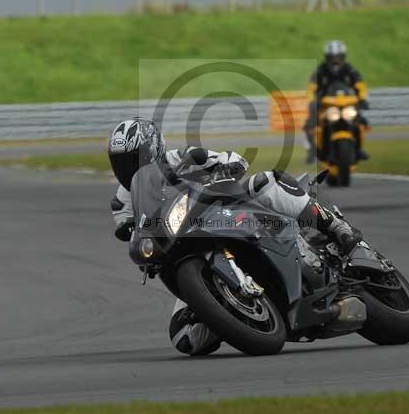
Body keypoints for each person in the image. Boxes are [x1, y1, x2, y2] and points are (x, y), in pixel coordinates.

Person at [107, 117, 363, 356]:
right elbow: (135, 229)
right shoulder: (123, 200)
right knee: (185, 338)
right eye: (120, 162)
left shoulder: (183, 157)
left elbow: (232, 159)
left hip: (224, 211)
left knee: (266, 183)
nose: (127, 168)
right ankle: (232, 312)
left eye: (134, 159)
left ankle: (336, 227)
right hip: (184, 246)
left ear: (154, 150)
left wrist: (227, 166)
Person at [304, 40, 370, 164]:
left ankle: (359, 149)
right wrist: (312, 100)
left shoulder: (350, 70)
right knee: (310, 123)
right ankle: (313, 149)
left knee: (361, 121)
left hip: (346, 103)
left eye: (338, 57)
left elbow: (360, 85)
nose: (335, 60)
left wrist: (362, 99)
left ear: (343, 56)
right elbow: (311, 88)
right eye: (332, 57)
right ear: (327, 57)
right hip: (325, 104)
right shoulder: (320, 70)